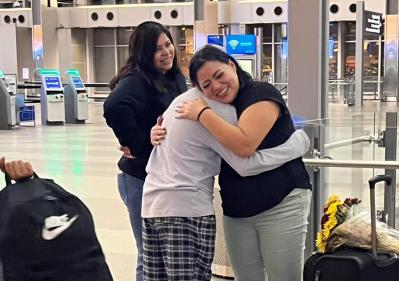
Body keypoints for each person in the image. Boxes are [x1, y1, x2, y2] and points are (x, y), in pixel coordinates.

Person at [142, 86, 310, 281]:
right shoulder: (209, 111)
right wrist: (298, 144)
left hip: (152, 206)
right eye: (209, 81)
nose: (217, 86)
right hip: (186, 210)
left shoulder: (179, 102)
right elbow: (245, 163)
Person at [175, 45, 312, 281]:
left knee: (284, 277)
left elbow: (245, 144)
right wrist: (155, 133)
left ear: (231, 65)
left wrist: (202, 114)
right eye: (206, 85)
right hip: (237, 208)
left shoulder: (260, 93)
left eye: (219, 75)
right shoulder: (218, 107)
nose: (216, 87)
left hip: (282, 201)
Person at [103, 21, 187, 281]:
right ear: (143, 53)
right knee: (149, 254)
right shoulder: (138, 80)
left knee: (161, 253)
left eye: (168, 44)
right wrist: (139, 144)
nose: (166, 52)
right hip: (139, 179)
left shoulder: (171, 76)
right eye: (157, 49)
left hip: (162, 177)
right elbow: (114, 106)